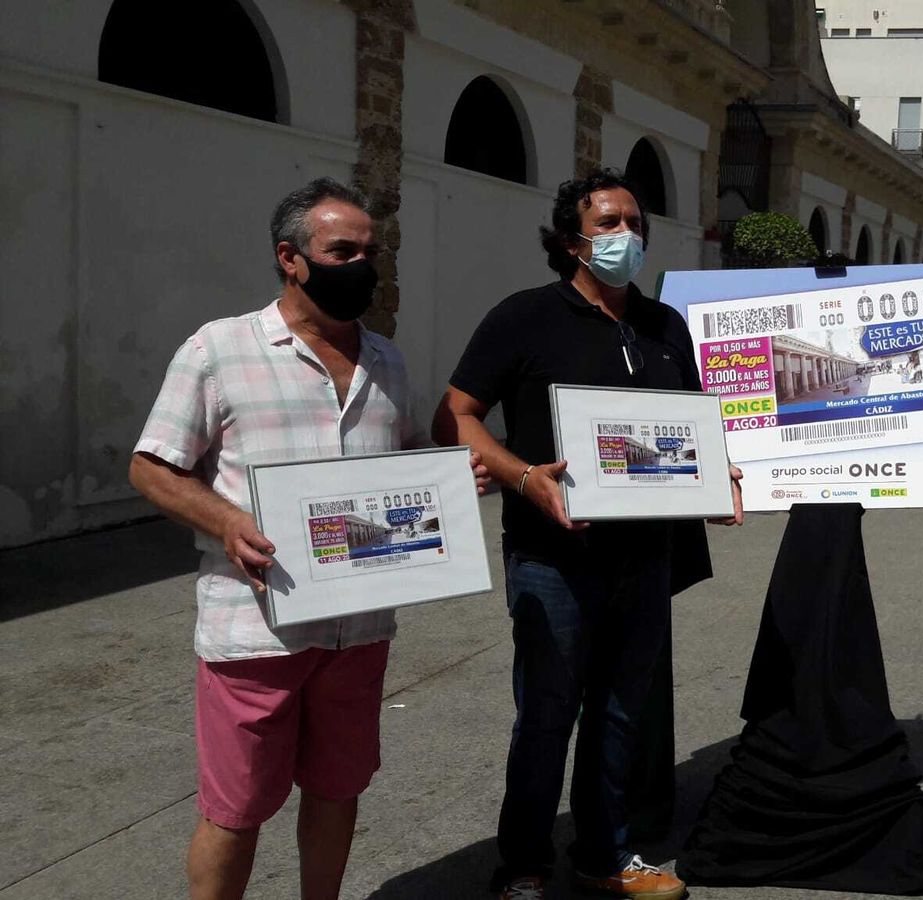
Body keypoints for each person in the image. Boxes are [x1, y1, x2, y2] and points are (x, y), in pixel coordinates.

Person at [128, 177, 484, 900]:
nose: (361, 266)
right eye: (341, 250)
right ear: (290, 258)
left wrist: (448, 475)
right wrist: (227, 520)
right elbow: (150, 467)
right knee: (235, 813)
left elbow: (407, 454)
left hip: (360, 630)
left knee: (337, 791)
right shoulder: (218, 350)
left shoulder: (387, 361)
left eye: (369, 252)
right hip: (257, 632)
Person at [434, 170, 742, 900]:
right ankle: (525, 863)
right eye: (608, 223)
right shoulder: (523, 319)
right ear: (571, 240)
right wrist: (523, 477)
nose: (626, 235)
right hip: (553, 557)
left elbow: (690, 429)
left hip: (645, 555)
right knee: (546, 714)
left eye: (635, 221)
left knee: (622, 711)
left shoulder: (666, 327)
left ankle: (604, 855)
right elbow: (457, 416)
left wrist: (717, 476)